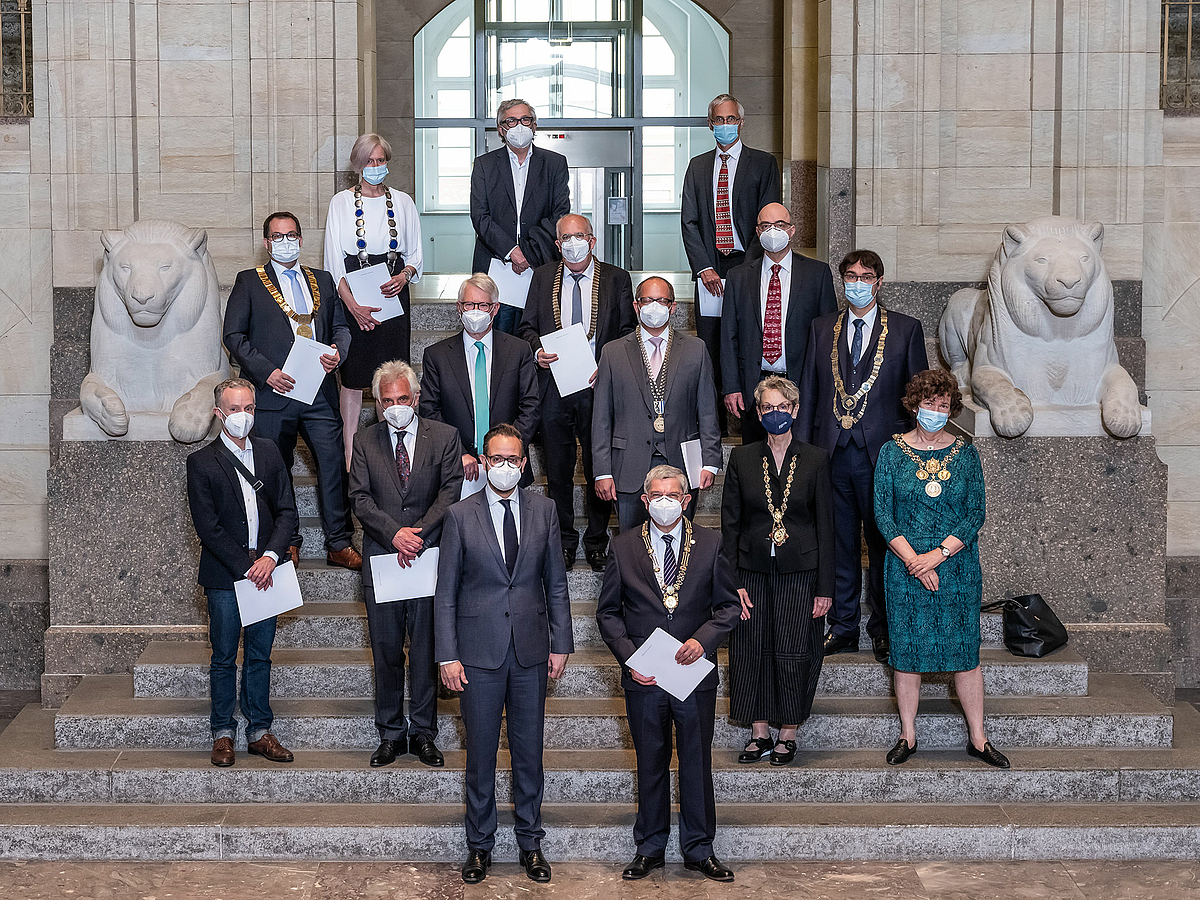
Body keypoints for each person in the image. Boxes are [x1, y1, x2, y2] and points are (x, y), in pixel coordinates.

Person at [435, 424, 574, 884]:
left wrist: (562, 642)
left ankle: (531, 844)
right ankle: (479, 846)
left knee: (529, 752)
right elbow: (446, 594)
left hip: (532, 650)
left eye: (513, 459)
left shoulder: (545, 510)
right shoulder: (459, 515)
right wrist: (446, 655)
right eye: (496, 459)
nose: (505, 467)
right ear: (484, 460)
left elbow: (555, 582)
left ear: (524, 463)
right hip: (477, 653)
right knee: (480, 755)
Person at [595, 465, 741, 882]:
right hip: (645, 677)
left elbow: (728, 607)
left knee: (696, 761)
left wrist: (705, 639)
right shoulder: (623, 547)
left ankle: (699, 848)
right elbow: (608, 614)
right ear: (644, 501)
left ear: (686, 500)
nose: (664, 501)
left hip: (692, 675)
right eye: (656, 495)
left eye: (672, 495)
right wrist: (630, 657)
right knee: (650, 761)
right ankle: (650, 847)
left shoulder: (711, 544)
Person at [873, 369, 1009, 770]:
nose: (935, 410)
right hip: (904, 565)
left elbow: (975, 513)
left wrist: (937, 556)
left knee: (965, 654)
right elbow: (883, 513)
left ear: (952, 409)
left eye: (943, 405)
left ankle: (979, 739)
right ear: (914, 405)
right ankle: (908, 735)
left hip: (956, 568)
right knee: (907, 653)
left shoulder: (965, 452)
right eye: (929, 403)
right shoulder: (891, 452)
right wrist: (915, 560)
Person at [795, 250, 927, 662]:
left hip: (884, 456)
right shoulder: (821, 328)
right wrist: (803, 454)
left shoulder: (906, 330)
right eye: (850, 276)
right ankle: (845, 626)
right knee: (838, 544)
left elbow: (918, 397)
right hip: (831, 453)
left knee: (885, 542)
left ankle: (885, 628)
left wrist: (913, 457)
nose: (857, 282)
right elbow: (809, 390)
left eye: (865, 276)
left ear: (879, 282)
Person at [223, 212, 362, 571]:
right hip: (272, 394)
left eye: (291, 235)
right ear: (266, 243)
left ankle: (339, 542)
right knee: (276, 470)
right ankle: (286, 543)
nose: (285, 242)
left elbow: (342, 328)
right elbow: (234, 336)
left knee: (333, 464)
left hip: (319, 392)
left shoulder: (324, 280)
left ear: (301, 240)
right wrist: (266, 373)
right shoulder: (249, 282)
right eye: (277, 236)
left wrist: (338, 353)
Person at [349, 360, 463, 770]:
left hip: (428, 556)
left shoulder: (445, 437)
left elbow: (452, 490)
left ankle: (424, 733)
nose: (395, 406)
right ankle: (391, 734)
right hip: (383, 559)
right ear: (377, 404)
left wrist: (419, 532)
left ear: (415, 398)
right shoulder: (364, 441)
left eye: (402, 398)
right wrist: (394, 534)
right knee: (386, 651)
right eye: (387, 401)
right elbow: (360, 498)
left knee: (426, 651)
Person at [721, 376, 835, 766]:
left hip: (801, 571)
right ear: (758, 412)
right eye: (767, 408)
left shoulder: (817, 458)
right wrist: (731, 584)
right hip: (752, 570)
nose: (775, 414)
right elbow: (730, 525)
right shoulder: (742, 458)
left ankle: (788, 732)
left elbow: (826, 526)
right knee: (750, 648)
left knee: (793, 649)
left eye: (782, 407)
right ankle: (758, 732)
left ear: (795, 410)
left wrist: (825, 588)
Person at [185, 378, 298, 768]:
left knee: (260, 655)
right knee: (223, 656)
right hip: (226, 575)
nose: (243, 416)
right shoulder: (200, 462)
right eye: (235, 409)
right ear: (220, 413)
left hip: (268, 570)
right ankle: (222, 732)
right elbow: (208, 526)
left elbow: (287, 511)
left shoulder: (269, 453)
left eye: (249, 408)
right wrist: (247, 566)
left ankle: (260, 731)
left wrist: (269, 556)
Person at [519, 213, 637, 572]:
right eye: (565, 238)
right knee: (558, 470)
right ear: (557, 244)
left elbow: (628, 330)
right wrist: (537, 352)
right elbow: (526, 328)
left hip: (599, 386)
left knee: (599, 467)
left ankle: (598, 541)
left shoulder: (617, 278)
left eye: (579, 236)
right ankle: (565, 541)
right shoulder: (542, 278)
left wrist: (611, 362)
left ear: (593, 240)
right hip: (554, 387)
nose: (572, 243)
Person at [681, 93, 781, 431]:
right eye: (719, 120)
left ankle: (750, 418)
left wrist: (745, 270)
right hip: (710, 268)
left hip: (749, 265)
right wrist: (705, 267)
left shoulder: (763, 164)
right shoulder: (697, 166)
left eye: (731, 119)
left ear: (741, 121)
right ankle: (715, 423)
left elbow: (768, 220)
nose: (725, 125)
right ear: (710, 125)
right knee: (709, 344)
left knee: (745, 334)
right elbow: (689, 221)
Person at [325, 133, 424, 468]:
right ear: (357, 165)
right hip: (353, 296)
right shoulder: (340, 203)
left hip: (393, 297)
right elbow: (333, 262)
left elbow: (415, 255)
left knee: (390, 375)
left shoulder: (404, 202)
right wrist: (351, 306)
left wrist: (404, 275)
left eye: (381, 160)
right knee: (353, 379)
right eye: (369, 161)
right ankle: (351, 457)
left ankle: (389, 451)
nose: (376, 166)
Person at [592, 276, 721, 531]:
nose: (655, 307)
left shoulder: (696, 349)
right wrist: (602, 471)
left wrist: (710, 461)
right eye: (648, 300)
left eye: (662, 300)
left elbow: (707, 411)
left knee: (680, 541)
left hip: (682, 463)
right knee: (631, 545)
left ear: (672, 307)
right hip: (628, 466)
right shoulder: (612, 352)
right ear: (636, 306)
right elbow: (602, 417)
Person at [720, 204, 836, 444]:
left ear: (792, 230)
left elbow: (829, 336)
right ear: (758, 232)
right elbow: (728, 335)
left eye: (780, 225)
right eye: (766, 226)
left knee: (800, 460)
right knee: (755, 461)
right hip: (754, 386)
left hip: (801, 385)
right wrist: (731, 385)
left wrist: (824, 387)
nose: (773, 231)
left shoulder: (817, 274)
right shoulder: (738, 277)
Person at [419, 273, 540, 492]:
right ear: (459, 307)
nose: (475, 311)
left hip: (508, 464)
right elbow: (429, 410)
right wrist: (458, 453)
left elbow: (530, 406)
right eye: (469, 304)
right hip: (457, 464)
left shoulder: (519, 351)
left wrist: (506, 454)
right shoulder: (436, 356)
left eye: (483, 305)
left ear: (495, 309)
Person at [470, 99, 571, 335]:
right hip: (496, 265)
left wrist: (527, 251)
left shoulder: (554, 164)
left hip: (540, 264)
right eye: (511, 121)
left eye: (525, 120)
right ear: (500, 129)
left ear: (534, 126)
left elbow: (560, 214)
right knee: (499, 339)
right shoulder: (485, 165)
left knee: (539, 338)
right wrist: (512, 251)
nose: (519, 126)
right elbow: (480, 216)